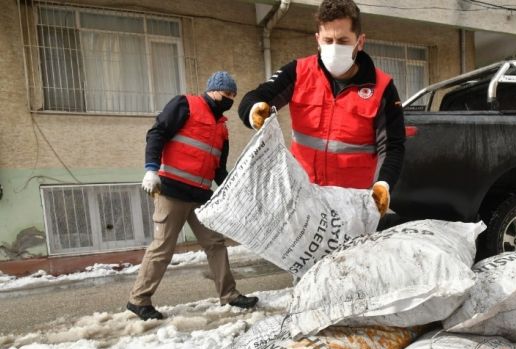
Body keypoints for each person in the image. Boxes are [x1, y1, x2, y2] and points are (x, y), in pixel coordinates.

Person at [237, 0, 405, 217]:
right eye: (328, 40)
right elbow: (254, 98)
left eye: (343, 41)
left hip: (353, 207)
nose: (334, 47)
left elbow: (392, 147)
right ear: (318, 40)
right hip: (303, 200)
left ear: (360, 42)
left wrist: (383, 184)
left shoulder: (382, 88)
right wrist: (254, 110)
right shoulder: (298, 73)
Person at [127, 71, 258, 321]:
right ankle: (139, 300)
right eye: (226, 93)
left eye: (233, 95)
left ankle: (229, 294)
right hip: (172, 191)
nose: (230, 99)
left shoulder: (222, 128)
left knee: (215, 244)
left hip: (201, 196)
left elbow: (219, 169)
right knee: (163, 248)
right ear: (212, 90)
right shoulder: (185, 104)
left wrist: (232, 191)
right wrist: (151, 169)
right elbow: (157, 133)